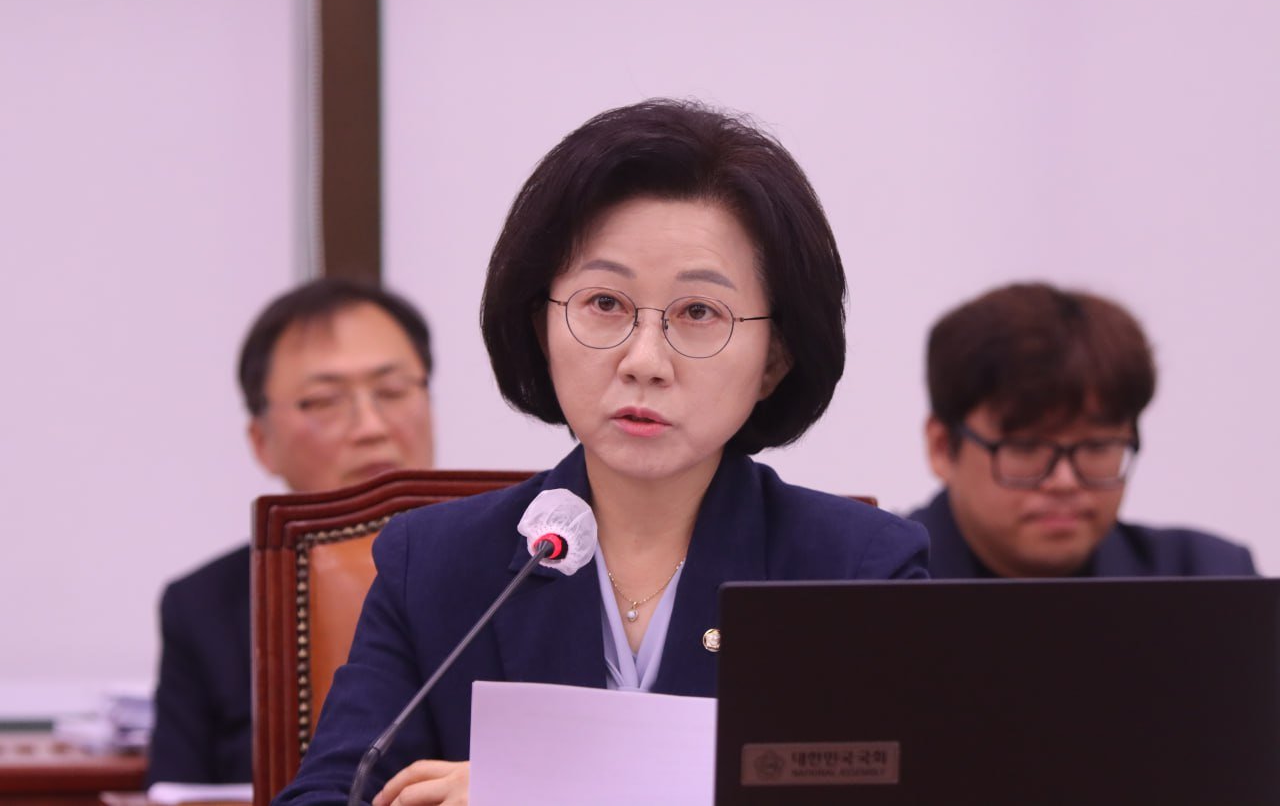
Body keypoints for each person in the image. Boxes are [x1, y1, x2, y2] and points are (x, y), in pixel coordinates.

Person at [275, 99, 929, 805]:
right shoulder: (433, 567)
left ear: (774, 358)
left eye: (698, 312)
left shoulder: (856, 573)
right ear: (542, 326)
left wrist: (535, 793)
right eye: (605, 304)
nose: (643, 361)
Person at [147, 279, 436, 785]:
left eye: (393, 392)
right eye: (324, 401)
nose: (371, 426)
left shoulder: (523, 564)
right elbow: (176, 789)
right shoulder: (202, 606)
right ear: (262, 442)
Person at [909, 281, 1255, 579]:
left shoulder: (1209, 577)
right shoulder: (886, 581)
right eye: (1027, 447)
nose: (1064, 482)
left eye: (1097, 446)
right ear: (942, 447)